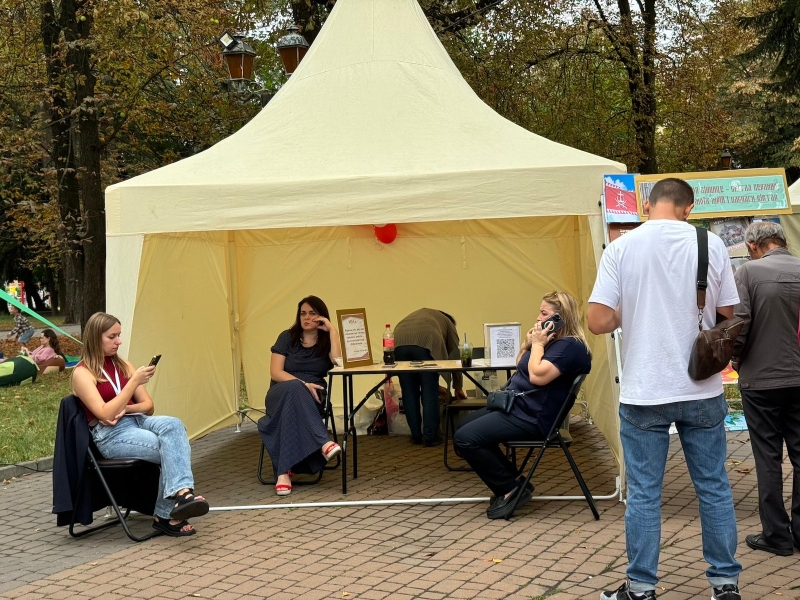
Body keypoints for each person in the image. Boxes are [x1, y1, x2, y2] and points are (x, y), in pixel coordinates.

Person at [588, 178, 742, 600]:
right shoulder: (712, 245)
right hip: (702, 387)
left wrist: (629, 310)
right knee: (712, 485)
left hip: (644, 390)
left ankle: (640, 588)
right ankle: (725, 584)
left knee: (644, 493)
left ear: (647, 205)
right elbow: (728, 315)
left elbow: (597, 320)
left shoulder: (621, 247)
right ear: (687, 209)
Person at [453, 291, 591, 520]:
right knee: (464, 430)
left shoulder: (570, 347)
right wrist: (528, 345)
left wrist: (537, 345)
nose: (538, 318)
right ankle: (515, 482)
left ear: (560, 317)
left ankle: (509, 488)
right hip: (518, 407)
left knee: (466, 439)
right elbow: (521, 364)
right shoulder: (553, 341)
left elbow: (537, 377)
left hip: (533, 417)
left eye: (544, 313)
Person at [72, 312, 209, 537]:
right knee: (173, 446)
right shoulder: (83, 373)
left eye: (119, 335)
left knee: (174, 426)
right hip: (111, 434)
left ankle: (181, 496)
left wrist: (125, 408)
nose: (119, 341)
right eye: (112, 337)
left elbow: (148, 406)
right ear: (96, 338)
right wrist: (133, 382)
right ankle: (169, 513)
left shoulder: (124, 365)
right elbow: (105, 413)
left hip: (138, 420)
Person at [731, 221, 800, 556]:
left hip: (760, 381)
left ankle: (777, 535)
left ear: (754, 246)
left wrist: (735, 360)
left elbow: (739, 325)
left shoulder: (748, 273)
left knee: (768, 458)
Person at [260, 295, 342, 496]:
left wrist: (333, 330)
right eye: (303, 313)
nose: (306, 318)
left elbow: (338, 361)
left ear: (321, 316)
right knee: (296, 389)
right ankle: (323, 442)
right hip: (281, 390)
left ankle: (283, 474)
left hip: (314, 396)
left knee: (291, 408)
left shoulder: (326, 340)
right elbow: (276, 372)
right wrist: (303, 384)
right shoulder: (287, 337)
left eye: (312, 313)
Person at [394, 309, 467, 446]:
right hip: (427, 340)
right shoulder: (448, 323)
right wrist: (458, 387)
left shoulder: (424, 315)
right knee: (429, 390)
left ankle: (415, 436)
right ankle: (430, 436)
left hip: (398, 341)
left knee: (409, 390)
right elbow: (455, 355)